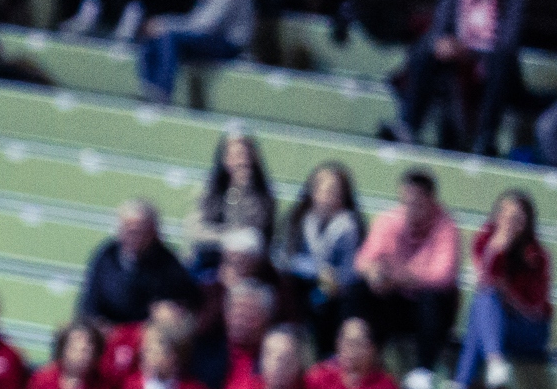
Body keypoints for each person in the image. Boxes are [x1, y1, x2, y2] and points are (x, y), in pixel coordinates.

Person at [390, 0, 526, 156]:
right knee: (424, 49)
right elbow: (439, 29)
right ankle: (408, 126)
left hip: (489, 65)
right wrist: (442, 43)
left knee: (500, 63)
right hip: (453, 62)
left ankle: (485, 138)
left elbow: (508, 44)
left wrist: (470, 51)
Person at [354, 168, 463, 389]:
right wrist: (374, 273)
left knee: (432, 297)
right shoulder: (389, 220)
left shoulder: (446, 228)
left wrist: (399, 276)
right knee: (359, 289)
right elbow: (363, 261)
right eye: (406, 201)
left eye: (417, 203)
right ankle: (360, 356)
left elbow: (442, 277)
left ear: (431, 201)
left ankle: (424, 370)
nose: (410, 208)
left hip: (432, 311)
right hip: (396, 303)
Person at [457, 190, 553, 389]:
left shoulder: (536, 255)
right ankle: (492, 363)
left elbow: (535, 309)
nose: (509, 223)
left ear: (527, 223)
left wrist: (508, 295)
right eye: (504, 215)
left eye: (516, 218)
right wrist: (496, 248)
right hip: (496, 326)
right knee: (483, 302)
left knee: (482, 310)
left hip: (529, 330)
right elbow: (484, 280)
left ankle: (462, 386)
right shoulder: (485, 239)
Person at [135, 0, 254, 102]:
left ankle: (162, 94)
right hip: (207, 38)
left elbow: (209, 24)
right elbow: (196, 18)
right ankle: (149, 90)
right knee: (154, 35)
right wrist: (162, 21)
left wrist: (166, 25)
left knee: (168, 36)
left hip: (229, 44)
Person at [80, 198, 200, 331]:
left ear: (153, 232)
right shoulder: (107, 256)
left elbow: (185, 304)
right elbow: (89, 306)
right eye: (128, 230)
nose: (133, 236)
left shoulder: (169, 265)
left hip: (147, 336)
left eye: (139, 231)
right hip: (110, 334)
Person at [278, 161, 365, 338]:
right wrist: (315, 269)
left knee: (329, 301)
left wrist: (332, 279)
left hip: (334, 288)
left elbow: (350, 272)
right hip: (301, 279)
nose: (326, 195)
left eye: (333, 190)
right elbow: (282, 255)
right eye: (321, 188)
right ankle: (291, 333)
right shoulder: (299, 218)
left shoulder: (349, 227)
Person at [185, 128, 275, 273]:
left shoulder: (262, 195)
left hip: (246, 263)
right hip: (210, 256)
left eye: (245, 155)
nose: (241, 161)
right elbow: (195, 230)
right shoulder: (208, 189)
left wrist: (242, 188)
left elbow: (252, 236)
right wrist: (226, 237)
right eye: (235, 155)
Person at [190, 276, 276, 389]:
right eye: (237, 313)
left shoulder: (273, 359)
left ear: (266, 319)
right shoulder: (203, 351)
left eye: (250, 315)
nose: (241, 322)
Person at [26, 320, 115, 389]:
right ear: (62, 350)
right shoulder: (41, 379)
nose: (80, 356)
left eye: (86, 350)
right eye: (74, 349)